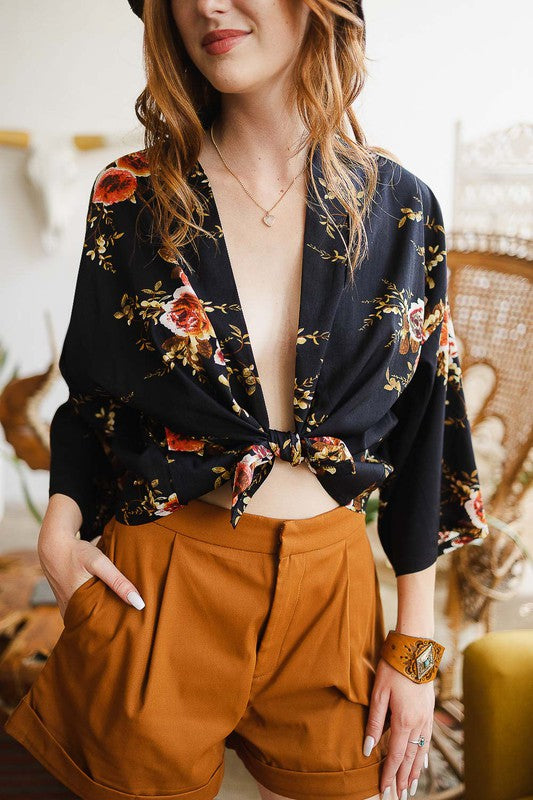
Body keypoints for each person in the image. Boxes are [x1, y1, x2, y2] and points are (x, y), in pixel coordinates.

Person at [3, 2, 489, 800]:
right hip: (159, 585)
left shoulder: (403, 209)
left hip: (331, 590)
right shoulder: (130, 196)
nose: (204, 5)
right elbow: (91, 396)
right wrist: (59, 537)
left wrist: (415, 647)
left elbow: (427, 429)